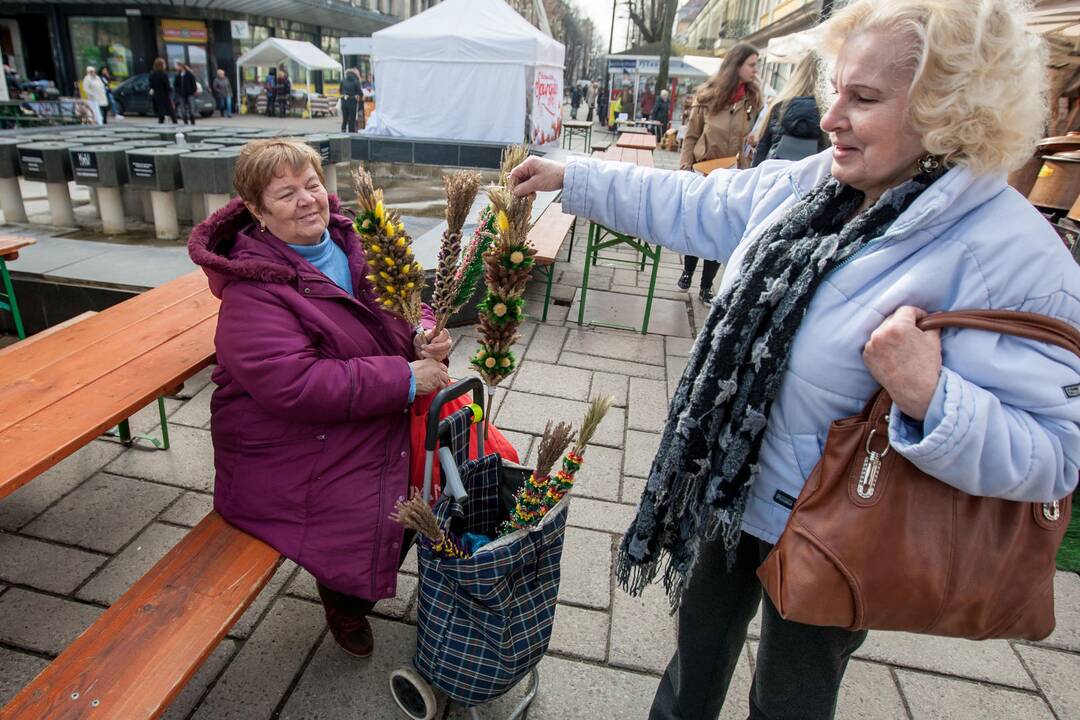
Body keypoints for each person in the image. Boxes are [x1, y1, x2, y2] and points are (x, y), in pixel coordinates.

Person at [508, 1, 1080, 718]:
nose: (832, 114)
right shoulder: (820, 183)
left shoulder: (1014, 257)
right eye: (839, 87)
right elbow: (705, 205)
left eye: (863, 98)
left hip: (845, 529)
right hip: (731, 484)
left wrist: (933, 397)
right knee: (695, 661)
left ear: (949, 110)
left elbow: (1054, 454)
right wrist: (576, 179)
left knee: (791, 699)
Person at [188, 138, 453, 658]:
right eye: (285, 194)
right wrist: (403, 378)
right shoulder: (252, 288)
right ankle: (345, 599)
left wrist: (424, 334)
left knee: (433, 475)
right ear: (257, 213)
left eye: (312, 184)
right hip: (284, 439)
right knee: (384, 497)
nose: (308, 199)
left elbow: (401, 310)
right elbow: (293, 383)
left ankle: (358, 580)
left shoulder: (352, 244)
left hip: (353, 407)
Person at [678, 43, 763, 302]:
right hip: (703, 169)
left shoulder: (754, 100)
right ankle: (687, 270)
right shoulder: (707, 96)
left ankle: (706, 285)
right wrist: (685, 168)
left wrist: (755, 140)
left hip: (734, 173)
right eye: (752, 64)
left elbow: (759, 134)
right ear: (736, 65)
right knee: (697, 224)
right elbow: (691, 136)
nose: (755, 70)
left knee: (720, 230)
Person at [752, 53, 828, 166]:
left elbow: (759, 159)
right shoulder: (829, 113)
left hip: (775, 178)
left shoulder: (779, 107)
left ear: (797, 75)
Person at [149, 57, 176, 124]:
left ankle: (160, 126)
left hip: (156, 96)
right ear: (161, 65)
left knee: (161, 114)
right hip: (164, 96)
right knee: (171, 113)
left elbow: (151, 85)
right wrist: (171, 89)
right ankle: (176, 127)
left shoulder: (152, 74)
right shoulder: (164, 74)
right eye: (164, 64)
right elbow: (167, 86)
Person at [341, 67, 362, 133]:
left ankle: (343, 132)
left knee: (345, 118)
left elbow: (340, 91)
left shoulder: (343, 80)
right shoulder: (356, 81)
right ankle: (351, 133)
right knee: (352, 119)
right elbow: (360, 93)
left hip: (344, 101)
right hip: (352, 102)